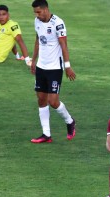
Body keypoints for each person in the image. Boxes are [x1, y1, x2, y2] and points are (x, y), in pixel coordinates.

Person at [30, 0, 76, 143]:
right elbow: (38, 40)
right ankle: (46, 134)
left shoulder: (58, 23)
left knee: (53, 101)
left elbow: (64, 45)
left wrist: (67, 66)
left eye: (39, 12)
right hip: (41, 67)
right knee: (41, 99)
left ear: (46, 9)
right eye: (35, 13)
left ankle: (70, 121)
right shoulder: (37, 22)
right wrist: (33, 60)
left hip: (55, 68)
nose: (37, 15)